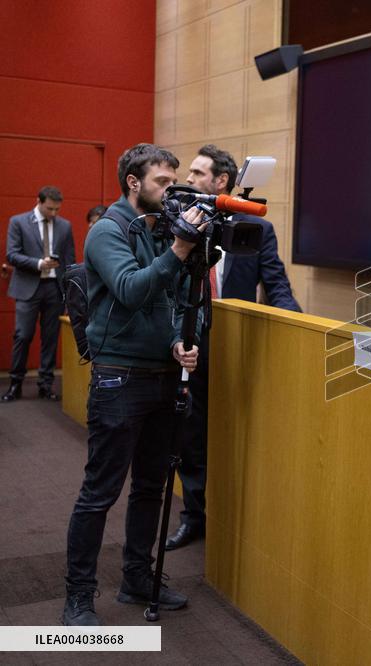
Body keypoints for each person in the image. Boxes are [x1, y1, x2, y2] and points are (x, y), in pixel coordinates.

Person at [63, 144, 205, 626]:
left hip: (162, 375)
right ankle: (78, 596)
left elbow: (176, 301)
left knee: (151, 487)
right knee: (99, 491)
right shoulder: (107, 230)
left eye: (174, 181)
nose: (172, 191)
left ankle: (136, 579)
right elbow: (129, 290)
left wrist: (179, 343)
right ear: (133, 182)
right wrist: (180, 249)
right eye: (163, 182)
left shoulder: (163, 231)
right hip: (118, 376)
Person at [165, 144, 301, 552]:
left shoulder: (254, 227)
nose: (188, 180)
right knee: (192, 435)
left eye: (197, 173)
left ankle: (239, 518)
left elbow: (276, 285)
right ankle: (194, 517)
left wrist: (295, 324)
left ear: (221, 182)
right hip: (192, 347)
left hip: (241, 348)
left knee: (239, 436)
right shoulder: (183, 226)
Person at [3, 186, 76, 402]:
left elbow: (69, 258)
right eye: (50, 208)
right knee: (23, 336)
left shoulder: (65, 226)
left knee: (50, 339)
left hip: (54, 288)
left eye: (57, 209)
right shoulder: (18, 222)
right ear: (39, 201)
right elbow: (12, 254)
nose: (54, 213)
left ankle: (45, 384)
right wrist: (38, 263)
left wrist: (69, 288)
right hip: (28, 287)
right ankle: (15, 384)